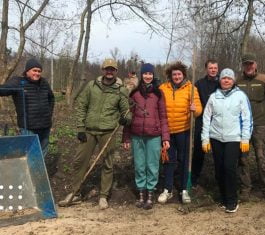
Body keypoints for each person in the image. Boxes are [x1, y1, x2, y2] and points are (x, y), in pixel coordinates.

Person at [58, 58, 131, 209]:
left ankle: (103, 196)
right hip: (89, 131)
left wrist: (125, 119)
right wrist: (80, 129)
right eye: (107, 69)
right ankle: (75, 194)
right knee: (80, 161)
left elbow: (127, 112)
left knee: (108, 164)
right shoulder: (91, 86)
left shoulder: (121, 90)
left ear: (116, 71)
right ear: (103, 70)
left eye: (112, 69)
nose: (109, 72)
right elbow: (82, 107)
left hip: (108, 132)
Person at [202, 68, 253, 213]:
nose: (226, 80)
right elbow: (206, 119)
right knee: (219, 169)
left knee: (229, 168)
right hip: (216, 137)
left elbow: (247, 118)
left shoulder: (240, 96)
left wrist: (245, 138)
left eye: (229, 78)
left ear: (233, 81)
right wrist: (205, 139)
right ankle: (223, 198)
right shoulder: (213, 97)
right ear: (220, 80)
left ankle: (232, 200)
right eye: (224, 78)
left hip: (234, 138)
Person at [122, 63, 170, 210]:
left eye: (150, 74)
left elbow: (163, 116)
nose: (148, 76)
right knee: (139, 165)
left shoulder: (158, 94)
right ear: (141, 75)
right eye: (145, 74)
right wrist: (126, 137)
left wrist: (165, 137)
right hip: (137, 135)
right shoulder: (134, 93)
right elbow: (128, 116)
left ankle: (150, 194)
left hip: (154, 135)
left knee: (152, 166)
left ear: (153, 75)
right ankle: (141, 194)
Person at [158, 61, 202, 204]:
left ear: (183, 75)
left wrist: (195, 109)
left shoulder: (191, 88)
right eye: (174, 74)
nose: (176, 76)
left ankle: (184, 189)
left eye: (179, 74)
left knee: (184, 160)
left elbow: (199, 111)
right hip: (167, 132)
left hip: (184, 130)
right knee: (168, 160)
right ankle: (167, 189)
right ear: (170, 75)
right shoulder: (163, 88)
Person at [236, 53, 265, 203]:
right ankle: (245, 189)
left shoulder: (264, 79)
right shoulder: (236, 81)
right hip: (242, 126)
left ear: (256, 64)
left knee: (262, 158)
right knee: (243, 159)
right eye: (246, 64)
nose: (249, 66)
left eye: (251, 64)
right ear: (243, 66)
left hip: (260, 125)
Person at [0, 58, 55, 157]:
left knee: (43, 153)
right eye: (34, 70)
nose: (37, 73)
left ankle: (38, 170)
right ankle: (29, 171)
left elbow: (51, 98)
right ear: (27, 71)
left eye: (39, 71)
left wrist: (48, 113)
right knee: (28, 154)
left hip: (45, 126)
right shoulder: (18, 82)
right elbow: (3, 90)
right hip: (29, 127)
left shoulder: (44, 83)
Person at [191, 59, 219, 187]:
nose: (213, 70)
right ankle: (194, 178)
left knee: (218, 151)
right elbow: (195, 101)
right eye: (210, 68)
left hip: (218, 122)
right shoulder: (199, 84)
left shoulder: (221, 83)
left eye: (215, 68)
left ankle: (219, 179)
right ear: (206, 69)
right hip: (202, 121)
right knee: (198, 151)